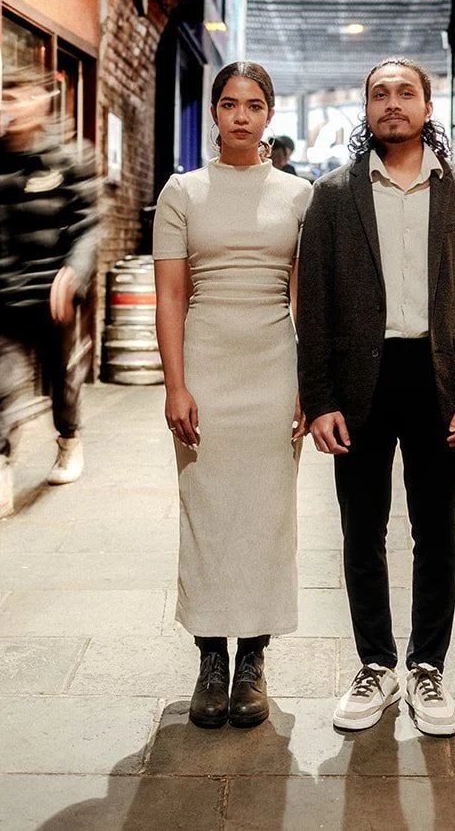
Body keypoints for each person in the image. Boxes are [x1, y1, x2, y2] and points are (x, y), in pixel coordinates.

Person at [297, 58, 455, 738]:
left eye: (404, 92)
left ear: (426, 102)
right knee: (362, 530)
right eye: (379, 94)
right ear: (367, 109)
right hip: (361, 381)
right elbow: (315, 307)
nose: (392, 104)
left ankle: (427, 667)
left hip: (438, 378)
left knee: (435, 530)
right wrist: (318, 397)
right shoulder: (333, 195)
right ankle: (376, 664)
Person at [153, 61, 312, 730]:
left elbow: (305, 298)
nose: (240, 115)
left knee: (267, 512)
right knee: (208, 510)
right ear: (213, 114)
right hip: (207, 368)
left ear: (269, 115)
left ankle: (253, 660)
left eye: (253, 104)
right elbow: (170, 292)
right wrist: (176, 383)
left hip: (275, 366)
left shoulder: (300, 196)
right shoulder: (181, 192)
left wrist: (312, 384)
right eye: (228, 103)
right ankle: (209, 658)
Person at [0, 67, 100, 529]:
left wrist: (74, 273)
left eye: (21, 96)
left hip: (51, 295)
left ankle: (69, 438)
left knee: (62, 380)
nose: (11, 106)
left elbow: (88, 226)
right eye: (5, 98)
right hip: (1, 292)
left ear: (43, 100)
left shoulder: (69, 157)